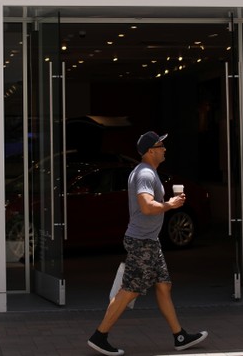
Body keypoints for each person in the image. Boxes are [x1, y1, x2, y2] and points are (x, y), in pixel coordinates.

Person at [87, 131, 208, 355]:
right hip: (142, 242)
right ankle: (100, 335)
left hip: (149, 241)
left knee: (164, 286)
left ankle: (179, 336)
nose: (165, 149)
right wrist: (170, 205)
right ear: (151, 151)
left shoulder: (147, 172)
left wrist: (170, 204)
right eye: (161, 145)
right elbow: (146, 206)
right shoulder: (144, 174)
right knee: (130, 290)